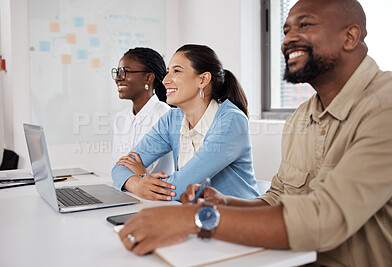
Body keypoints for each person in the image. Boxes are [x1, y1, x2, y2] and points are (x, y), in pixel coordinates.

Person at [117, 0, 392, 266]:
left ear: (350, 36)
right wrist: (224, 204)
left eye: (304, 25)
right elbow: (277, 198)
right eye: (285, 31)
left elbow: (324, 218)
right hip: (277, 258)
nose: (287, 40)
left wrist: (193, 218)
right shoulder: (300, 118)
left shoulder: (385, 105)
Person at [112, 44, 260, 201]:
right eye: (168, 72)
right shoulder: (172, 119)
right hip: (196, 216)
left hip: (238, 219)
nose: (165, 80)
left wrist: (141, 177)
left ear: (202, 80)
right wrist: (137, 184)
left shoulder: (231, 121)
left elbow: (180, 188)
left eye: (176, 71)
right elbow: (120, 168)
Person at [111, 47, 174, 180]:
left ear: (148, 78)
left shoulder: (164, 115)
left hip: (155, 196)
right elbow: (117, 166)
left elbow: (137, 168)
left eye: (124, 72)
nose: (117, 78)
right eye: (117, 72)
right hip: (125, 189)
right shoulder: (120, 118)